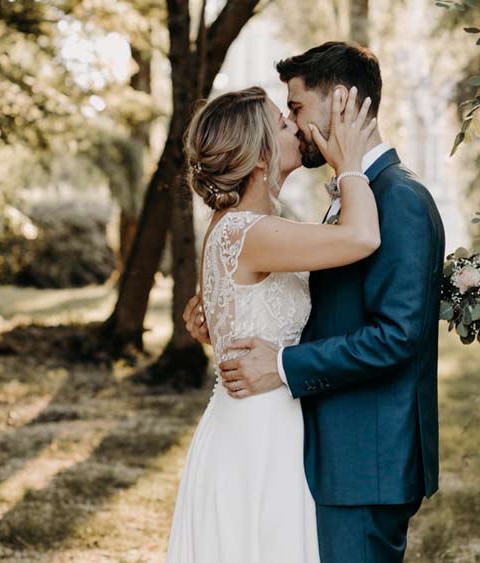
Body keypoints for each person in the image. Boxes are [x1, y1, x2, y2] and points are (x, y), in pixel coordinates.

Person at [183, 41, 446, 563]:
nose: (297, 126)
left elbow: (396, 335)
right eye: (286, 119)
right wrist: (223, 314)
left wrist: (279, 361)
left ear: (343, 103)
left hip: (363, 459)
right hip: (299, 447)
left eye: (296, 110)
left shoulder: (396, 200)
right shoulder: (347, 201)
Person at [166, 82, 380, 563]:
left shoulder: (241, 225)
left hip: (256, 420)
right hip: (258, 432)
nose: (296, 129)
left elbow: (237, 318)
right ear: (261, 156)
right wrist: (349, 166)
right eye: (284, 125)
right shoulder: (252, 232)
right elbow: (362, 237)